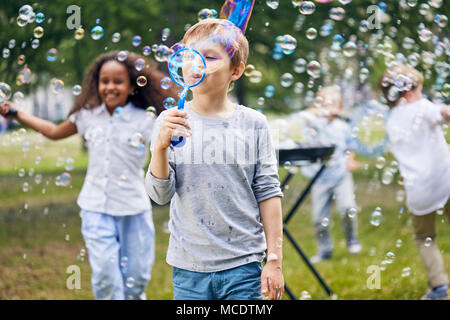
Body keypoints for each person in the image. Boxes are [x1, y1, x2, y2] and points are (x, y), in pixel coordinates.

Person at [0, 51, 178, 300]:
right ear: (97, 84)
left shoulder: (148, 120)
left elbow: (168, 147)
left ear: (131, 85)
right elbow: (53, 131)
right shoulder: (87, 116)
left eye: (118, 81)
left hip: (134, 209)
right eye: (105, 81)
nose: (110, 87)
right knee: (106, 278)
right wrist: (18, 114)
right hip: (95, 208)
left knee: (136, 280)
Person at [145, 18, 285, 300]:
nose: (196, 63)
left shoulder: (253, 123)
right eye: (189, 55)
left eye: (209, 57)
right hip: (189, 268)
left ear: (236, 71)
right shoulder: (169, 121)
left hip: (243, 265)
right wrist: (159, 149)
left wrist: (274, 260)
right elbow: (160, 196)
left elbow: (268, 192)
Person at [380, 64, 450, 300]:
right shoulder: (422, 107)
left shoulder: (391, 120)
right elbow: (442, 114)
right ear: (409, 94)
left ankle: (439, 286)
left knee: (424, 237)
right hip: (445, 178)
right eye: (420, 90)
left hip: (419, 188)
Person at [300, 85, 362, 264]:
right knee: (319, 219)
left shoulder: (343, 126)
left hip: (341, 174)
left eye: (334, 104)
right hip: (319, 177)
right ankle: (324, 249)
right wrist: (319, 111)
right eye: (326, 103)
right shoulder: (313, 123)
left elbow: (349, 148)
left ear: (340, 107)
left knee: (348, 209)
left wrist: (350, 161)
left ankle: (352, 239)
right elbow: (305, 117)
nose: (330, 107)